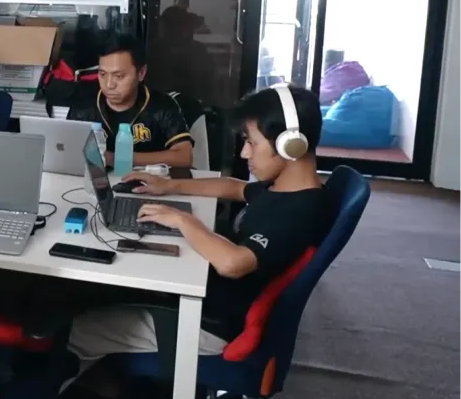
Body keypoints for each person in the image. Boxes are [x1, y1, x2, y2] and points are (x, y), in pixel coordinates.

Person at [64, 85, 332, 396]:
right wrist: (169, 186)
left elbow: (234, 263)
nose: (244, 153)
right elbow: (234, 187)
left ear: (291, 145)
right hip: (210, 296)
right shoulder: (285, 188)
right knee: (101, 289)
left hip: (211, 322)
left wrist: (183, 220)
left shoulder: (298, 211)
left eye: (251, 143)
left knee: (80, 330)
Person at [68, 33, 193, 169]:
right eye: (102, 74)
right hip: (95, 180)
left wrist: (116, 158)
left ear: (141, 73)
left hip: (147, 180)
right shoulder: (83, 105)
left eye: (119, 76)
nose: (109, 84)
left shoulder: (162, 106)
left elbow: (184, 157)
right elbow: (65, 149)